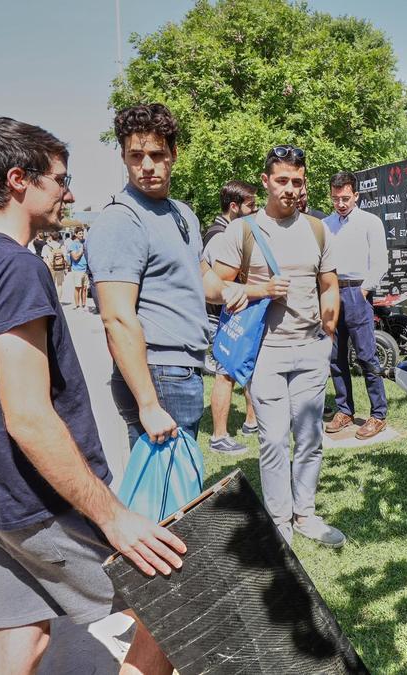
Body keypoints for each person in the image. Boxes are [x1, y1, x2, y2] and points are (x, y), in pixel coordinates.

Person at [0, 116, 183, 674]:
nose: (68, 193)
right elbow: (28, 417)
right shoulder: (15, 268)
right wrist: (113, 517)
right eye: (60, 180)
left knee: (21, 642)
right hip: (43, 506)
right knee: (169, 615)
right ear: (20, 180)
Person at [202, 144, 342, 547]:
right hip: (265, 352)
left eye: (297, 181)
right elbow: (213, 288)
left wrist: (327, 337)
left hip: (310, 348)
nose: (290, 188)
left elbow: (329, 286)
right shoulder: (243, 231)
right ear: (266, 182)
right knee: (275, 438)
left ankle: (306, 514)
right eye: (281, 180)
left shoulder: (317, 229)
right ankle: (280, 520)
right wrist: (258, 289)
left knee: (311, 436)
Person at [88, 103, 209, 449]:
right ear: (124, 157)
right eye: (135, 156)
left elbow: (203, 279)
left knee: (179, 491)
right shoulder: (120, 220)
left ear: (174, 153)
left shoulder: (181, 212)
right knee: (167, 496)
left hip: (183, 370)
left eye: (156, 154)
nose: (146, 166)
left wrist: (252, 290)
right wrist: (148, 403)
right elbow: (116, 318)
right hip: (157, 373)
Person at [322, 171, 389, 440]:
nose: (341, 203)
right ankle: (344, 410)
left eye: (346, 198)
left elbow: (380, 262)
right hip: (331, 292)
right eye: (336, 198)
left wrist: (363, 290)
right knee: (335, 357)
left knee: (366, 356)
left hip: (357, 293)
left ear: (356, 195)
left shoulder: (370, 222)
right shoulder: (325, 224)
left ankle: (378, 414)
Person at [203, 180, 258, 455]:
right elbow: (218, 283)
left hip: (236, 315)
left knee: (245, 369)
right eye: (251, 205)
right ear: (234, 207)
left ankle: (251, 421)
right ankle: (219, 436)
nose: (256, 209)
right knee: (225, 374)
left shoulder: (232, 231)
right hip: (221, 318)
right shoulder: (220, 237)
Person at [41, 231, 68, 301]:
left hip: (50, 267)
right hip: (60, 267)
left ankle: (52, 300)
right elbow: (65, 258)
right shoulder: (62, 246)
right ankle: (58, 301)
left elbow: (44, 259)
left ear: (50, 237)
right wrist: (66, 268)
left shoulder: (46, 246)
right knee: (60, 285)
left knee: (51, 284)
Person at [68, 227, 89, 310]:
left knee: (84, 288)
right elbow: (75, 257)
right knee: (78, 288)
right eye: (79, 233)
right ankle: (77, 305)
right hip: (77, 269)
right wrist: (81, 251)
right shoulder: (73, 244)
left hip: (85, 269)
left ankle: (84, 304)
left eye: (82, 233)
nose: (81, 235)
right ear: (75, 234)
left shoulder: (84, 242)